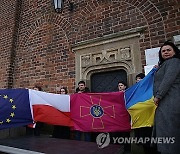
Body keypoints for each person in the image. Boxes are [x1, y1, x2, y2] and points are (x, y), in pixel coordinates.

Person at [153, 41, 180, 154]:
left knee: (170, 131)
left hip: (171, 100)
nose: (166, 52)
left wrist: (158, 96)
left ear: (174, 51)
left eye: (169, 50)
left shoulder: (174, 61)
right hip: (166, 102)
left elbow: (167, 80)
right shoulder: (166, 64)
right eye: (163, 51)